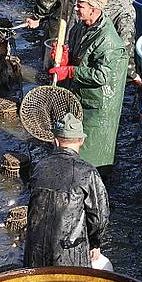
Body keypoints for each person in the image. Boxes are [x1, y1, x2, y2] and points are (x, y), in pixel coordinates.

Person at [49, 0, 128, 174]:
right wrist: (65, 56)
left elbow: (102, 75)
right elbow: (77, 53)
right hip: (79, 95)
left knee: (92, 154)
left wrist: (69, 71)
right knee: (73, 144)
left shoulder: (109, 41)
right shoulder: (80, 26)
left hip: (97, 105)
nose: (76, 8)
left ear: (94, 9)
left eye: (80, 6)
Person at [24, 112, 109, 268]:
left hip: (34, 254)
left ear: (55, 141)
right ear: (82, 140)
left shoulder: (39, 167)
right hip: (70, 255)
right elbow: (99, 217)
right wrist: (95, 243)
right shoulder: (88, 172)